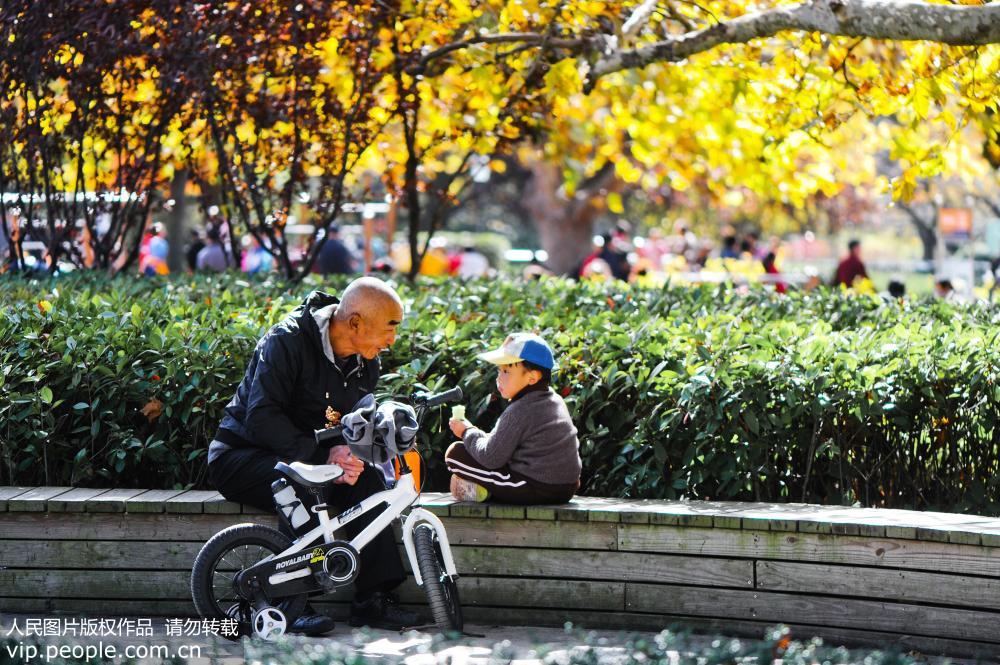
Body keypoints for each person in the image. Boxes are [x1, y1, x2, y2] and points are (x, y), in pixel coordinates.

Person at [206, 276, 418, 635]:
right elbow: (261, 416)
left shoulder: (367, 362)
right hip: (240, 456)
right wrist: (320, 457)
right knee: (298, 479)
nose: (392, 339)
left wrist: (353, 457)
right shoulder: (287, 340)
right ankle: (290, 604)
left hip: (310, 456)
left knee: (368, 481)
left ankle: (372, 600)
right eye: (390, 328)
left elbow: (352, 423)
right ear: (355, 323)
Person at [445, 333, 582, 505]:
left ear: (532, 377)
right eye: (499, 370)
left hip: (535, 487)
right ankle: (485, 489)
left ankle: (485, 488)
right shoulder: (554, 400)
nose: (499, 378)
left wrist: (466, 431)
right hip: (567, 487)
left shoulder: (520, 409)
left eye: (507, 371)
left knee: (455, 454)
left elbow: (491, 457)